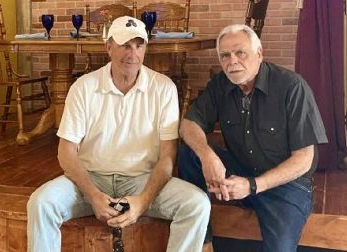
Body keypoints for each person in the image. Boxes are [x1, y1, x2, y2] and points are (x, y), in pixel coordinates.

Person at [27, 16, 210, 252]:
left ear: (145, 48)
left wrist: (143, 201)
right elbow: (66, 151)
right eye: (125, 45)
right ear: (108, 47)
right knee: (41, 203)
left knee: (196, 204)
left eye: (138, 45)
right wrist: (92, 195)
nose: (132, 53)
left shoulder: (164, 88)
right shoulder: (83, 87)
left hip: (142, 179)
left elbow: (167, 156)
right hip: (89, 178)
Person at [178, 24, 328, 251]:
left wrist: (253, 186)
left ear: (259, 54)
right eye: (225, 56)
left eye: (240, 53)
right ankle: (205, 241)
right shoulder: (220, 84)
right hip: (242, 171)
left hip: (286, 185)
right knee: (189, 153)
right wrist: (207, 155)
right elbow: (188, 124)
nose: (232, 61)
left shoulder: (292, 87)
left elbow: (304, 159)